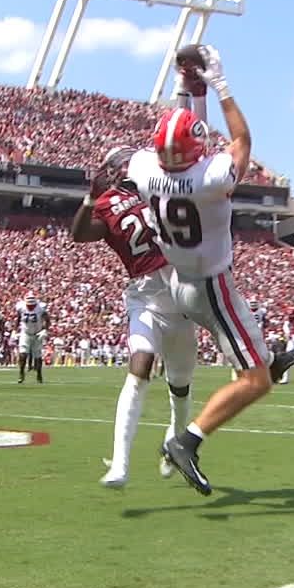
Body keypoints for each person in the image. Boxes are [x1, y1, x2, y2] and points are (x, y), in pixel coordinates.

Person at [124, 44, 294, 495]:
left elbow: (184, 133)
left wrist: (186, 89)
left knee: (257, 353)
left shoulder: (144, 168)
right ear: (195, 152)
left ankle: (272, 358)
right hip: (211, 286)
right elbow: (242, 142)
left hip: (181, 280)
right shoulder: (209, 179)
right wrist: (220, 86)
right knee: (255, 381)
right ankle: (187, 441)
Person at [71, 145, 199, 488]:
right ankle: (121, 466)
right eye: (120, 163)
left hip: (179, 291)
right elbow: (79, 234)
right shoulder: (105, 202)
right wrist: (88, 198)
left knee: (180, 387)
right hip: (143, 294)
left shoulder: (154, 185)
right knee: (138, 369)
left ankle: (176, 441)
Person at [15, 293, 49, 384]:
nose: (30, 307)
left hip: (37, 333)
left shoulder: (40, 308)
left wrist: (45, 330)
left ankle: (39, 374)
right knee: (23, 353)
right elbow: (18, 318)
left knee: (38, 356)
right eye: (29, 305)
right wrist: (15, 330)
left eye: (32, 305)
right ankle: (21, 372)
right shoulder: (21, 307)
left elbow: (47, 319)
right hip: (25, 332)